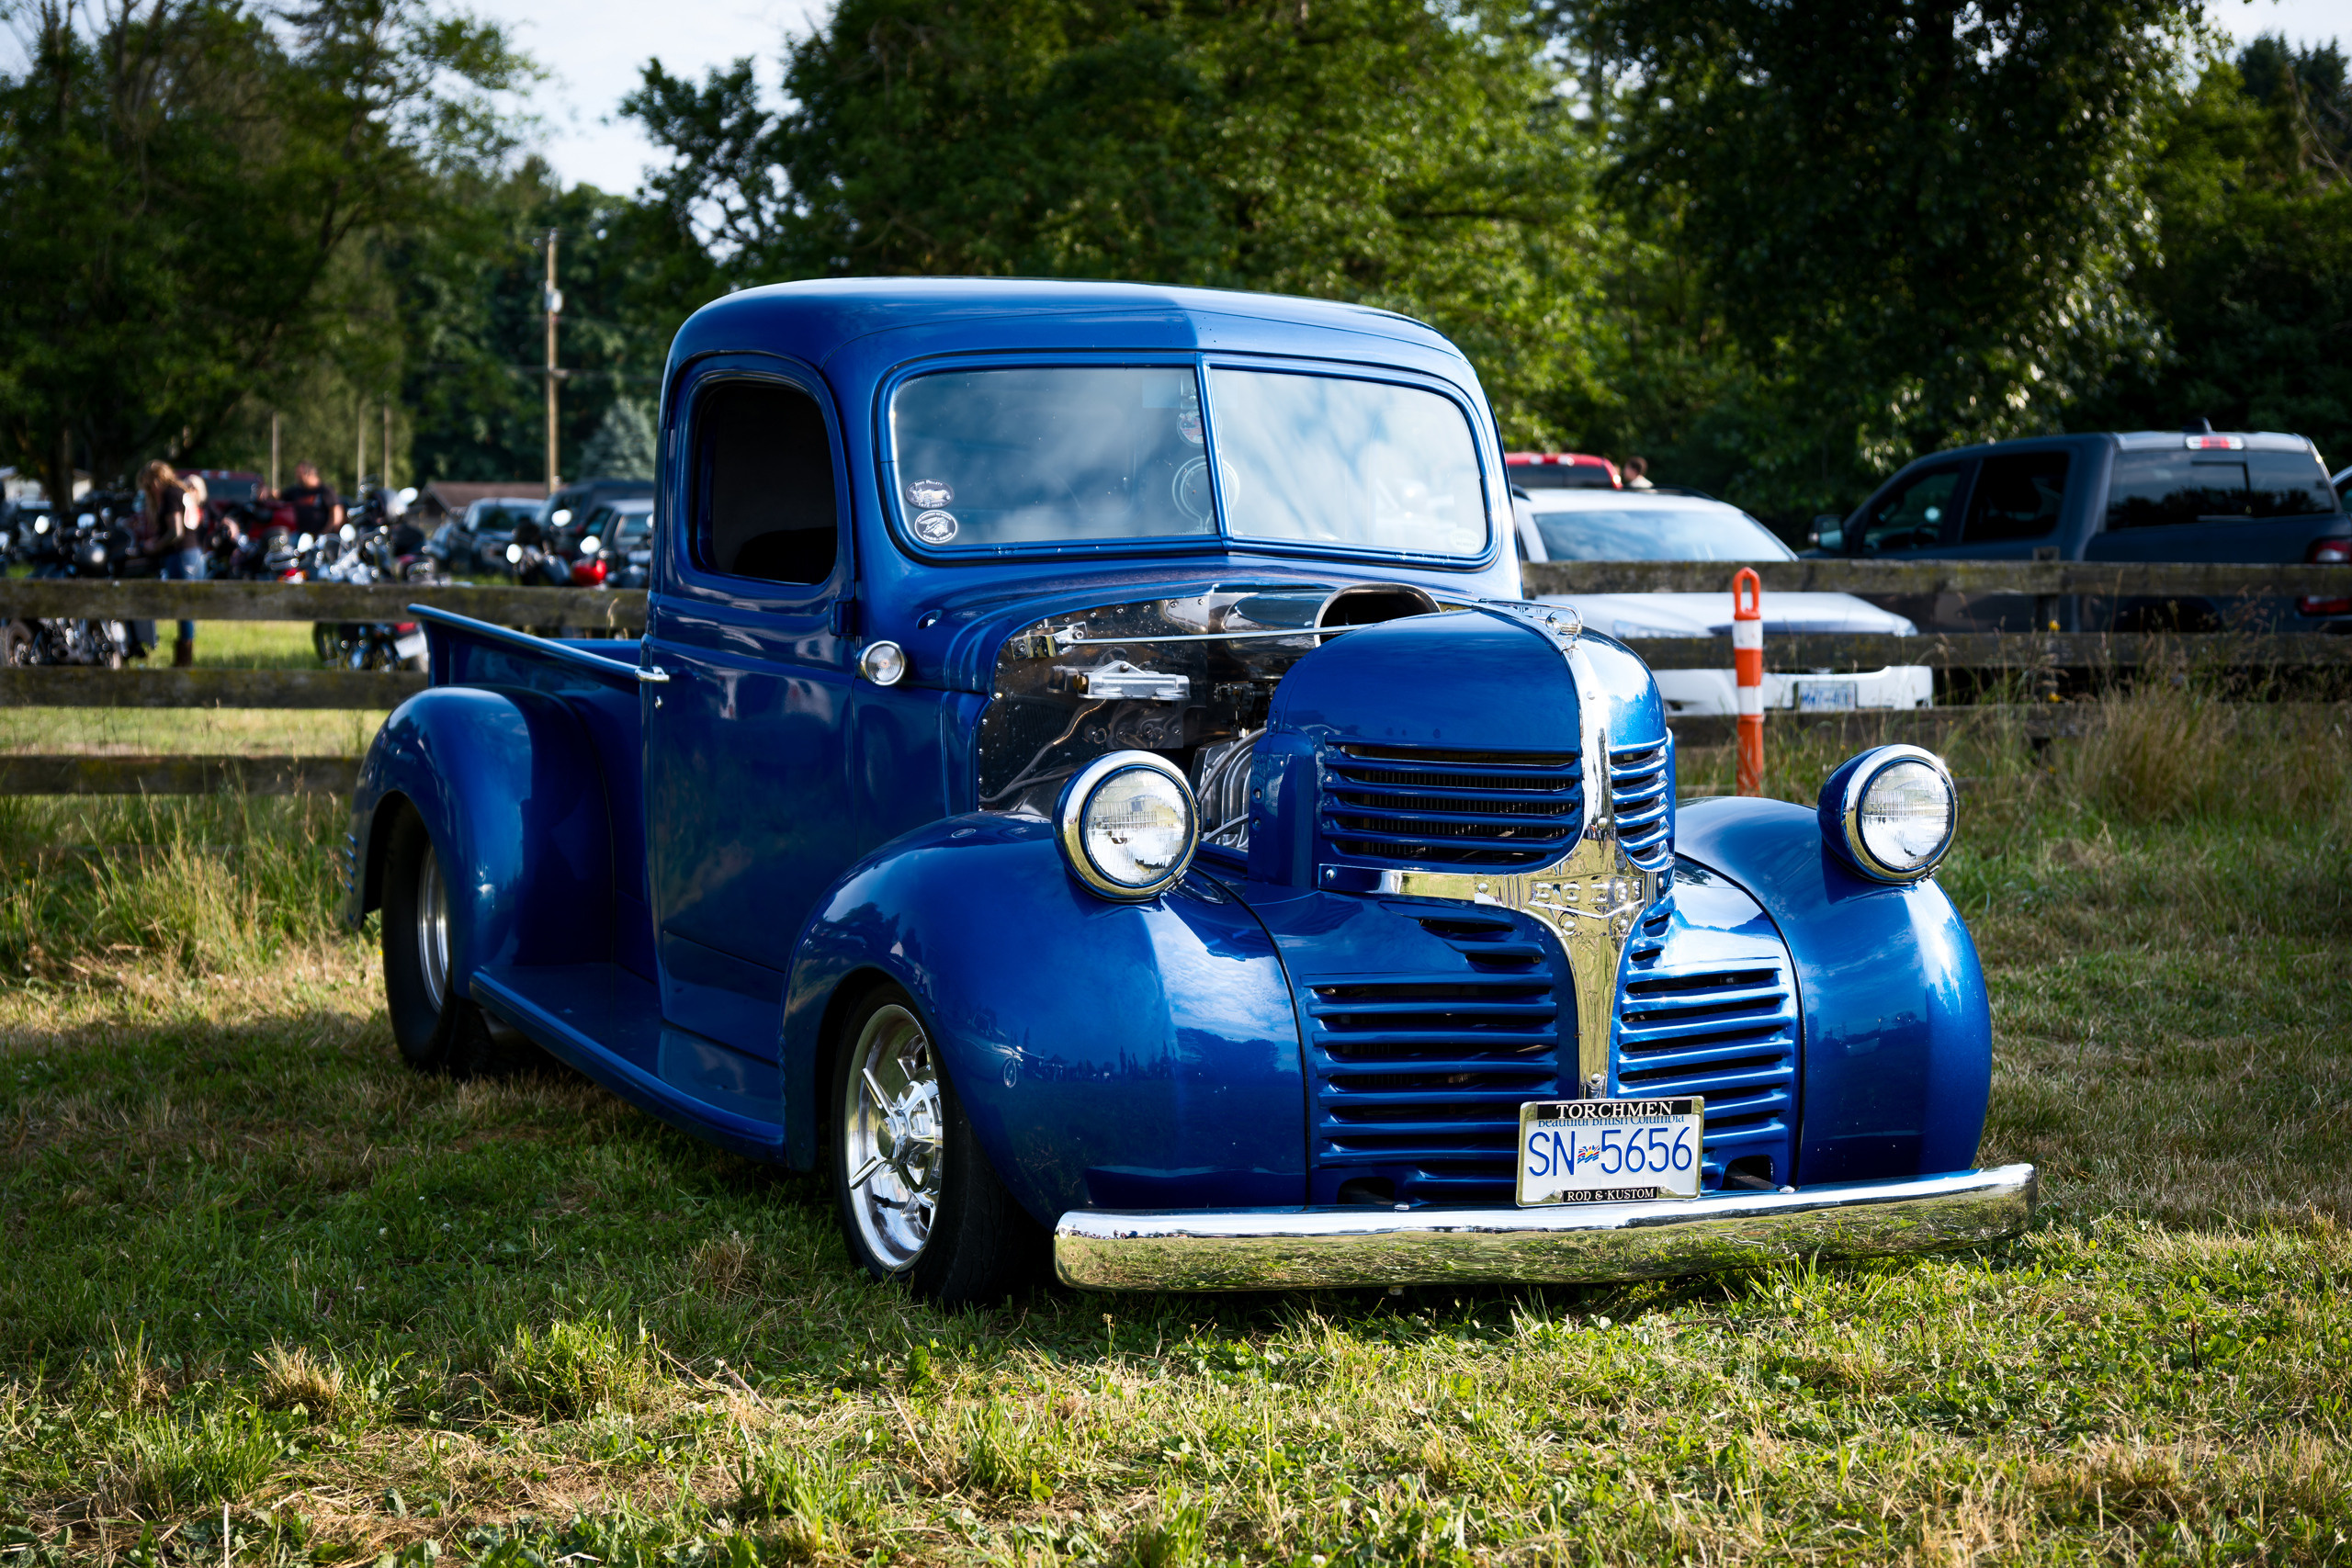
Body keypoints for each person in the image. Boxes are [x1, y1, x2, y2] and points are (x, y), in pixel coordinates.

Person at [136, 460, 206, 665]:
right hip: (194, 554)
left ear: (157, 480)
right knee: (186, 607)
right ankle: (185, 658)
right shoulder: (180, 490)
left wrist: (154, 546)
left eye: (149, 485)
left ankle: (184, 661)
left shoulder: (169, 494)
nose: (150, 491)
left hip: (182, 556)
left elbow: (175, 532)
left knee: (183, 607)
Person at [281, 462, 345, 536]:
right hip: (301, 536)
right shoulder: (296, 491)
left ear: (309, 474)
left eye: (299, 474)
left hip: (321, 537)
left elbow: (336, 514)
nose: (297, 477)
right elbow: (279, 496)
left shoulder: (325, 491)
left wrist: (325, 534)